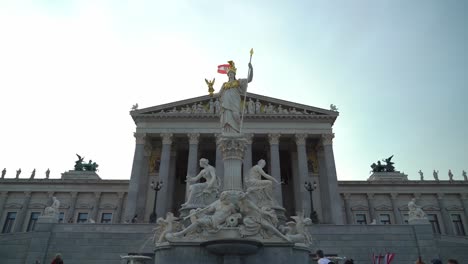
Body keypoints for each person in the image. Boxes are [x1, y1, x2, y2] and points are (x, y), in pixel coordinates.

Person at [218, 60, 253, 133]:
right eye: (229, 73)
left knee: (236, 115)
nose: (231, 74)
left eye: (232, 73)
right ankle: (229, 132)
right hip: (226, 103)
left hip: (235, 102)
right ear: (228, 75)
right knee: (227, 118)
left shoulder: (238, 82)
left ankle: (238, 129)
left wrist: (251, 69)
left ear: (234, 74)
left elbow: (249, 79)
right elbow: (219, 94)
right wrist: (211, 92)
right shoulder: (225, 84)